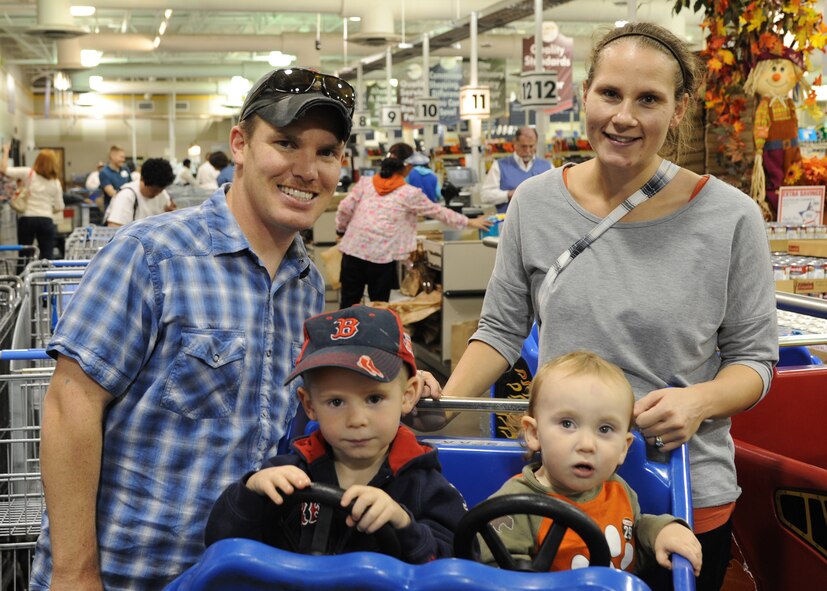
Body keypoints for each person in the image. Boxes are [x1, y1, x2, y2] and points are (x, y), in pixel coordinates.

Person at [436, 22, 777, 591]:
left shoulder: (730, 217)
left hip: (683, 487)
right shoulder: (536, 202)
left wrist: (700, 400)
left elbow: (754, 361)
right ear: (586, 93)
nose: (624, 117)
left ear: (679, 109)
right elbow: (499, 329)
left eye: (649, 99)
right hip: (561, 489)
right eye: (610, 94)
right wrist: (439, 408)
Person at [29, 66, 387, 591]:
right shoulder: (152, 255)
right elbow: (70, 406)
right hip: (129, 575)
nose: (307, 170)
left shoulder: (306, 282)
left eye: (326, 151)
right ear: (240, 144)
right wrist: (75, 573)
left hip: (240, 572)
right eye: (285, 143)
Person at [205, 305, 466, 563]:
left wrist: (405, 526)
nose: (356, 420)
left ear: (407, 396)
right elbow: (221, 546)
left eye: (374, 398)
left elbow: (459, 562)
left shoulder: (425, 487)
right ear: (309, 405)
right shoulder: (286, 476)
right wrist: (250, 493)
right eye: (336, 402)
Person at [479, 351, 702, 577]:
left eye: (604, 429)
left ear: (623, 448)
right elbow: (496, 573)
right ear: (535, 434)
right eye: (567, 423)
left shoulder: (619, 491)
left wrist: (663, 531)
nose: (587, 445)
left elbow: (633, 532)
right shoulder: (514, 506)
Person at [336, 145, 492, 308]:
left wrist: (340, 229)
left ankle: (341, 332)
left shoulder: (365, 184)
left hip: (353, 251)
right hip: (382, 257)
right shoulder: (409, 193)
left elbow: (344, 208)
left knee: (348, 303)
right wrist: (469, 222)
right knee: (379, 307)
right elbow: (437, 211)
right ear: (407, 167)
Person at [0, 144, 64, 261]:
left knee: (24, 257)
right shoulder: (56, 183)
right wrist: (48, 209)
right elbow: (60, 207)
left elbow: (3, 170)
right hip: (46, 219)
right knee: (46, 258)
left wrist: (5, 151)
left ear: (38, 161)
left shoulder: (28, 173)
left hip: (27, 219)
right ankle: (45, 278)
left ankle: (22, 278)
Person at [480, 127, 551, 213]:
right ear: (515, 143)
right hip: (508, 222)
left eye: (531, 146)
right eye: (524, 146)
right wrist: (509, 194)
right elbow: (485, 195)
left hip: (540, 222)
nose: (528, 150)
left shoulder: (547, 166)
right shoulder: (499, 165)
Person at [104, 157, 177, 227]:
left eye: (161, 190)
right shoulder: (126, 196)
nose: (157, 193)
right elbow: (114, 228)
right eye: (154, 190)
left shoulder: (162, 194)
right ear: (142, 178)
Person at [98, 145, 131, 209]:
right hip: (113, 208)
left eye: (124, 157)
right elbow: (112, 193)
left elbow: (132, 186)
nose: (123, 160)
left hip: (127, 206)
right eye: (121, 157)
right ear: (112, 156)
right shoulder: (104, 173)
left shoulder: (126, 169)